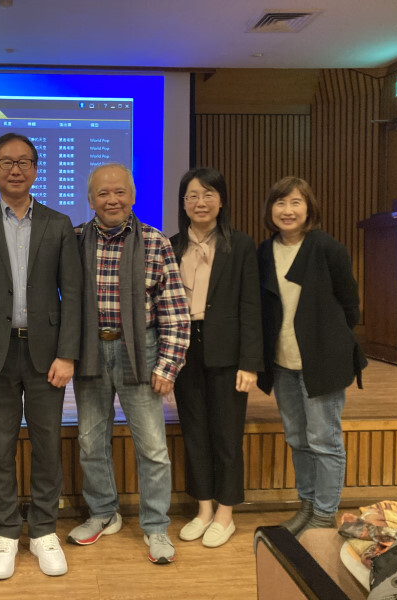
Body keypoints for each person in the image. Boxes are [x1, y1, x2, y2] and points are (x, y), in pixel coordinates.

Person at [0, 133, 82, 580]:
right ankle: (6, 531)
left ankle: (44, 528)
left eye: (25, 161)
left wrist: (68, 353)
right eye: (6, 162)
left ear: (35, 169)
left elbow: (74, 294)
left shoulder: (60, 224)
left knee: (47, 445)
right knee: (0, 447)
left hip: (46, 354)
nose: (16, 169)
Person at [68, 163, 190, 564]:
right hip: (90, 352)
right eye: (103, 193)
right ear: (90, 200)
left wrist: (167, 366)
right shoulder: (74, 241)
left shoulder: (155, 243)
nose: (112, 199)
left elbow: (174, 311)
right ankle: (104, 513)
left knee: (153, 447)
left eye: (120, 192)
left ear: (133, 197)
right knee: (90, 441)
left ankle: (156, 527)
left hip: (141, 352)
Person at [256, 176, 367, 537]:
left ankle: (323, 514)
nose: (287, 211)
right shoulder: (263, 251)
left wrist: (331, 341)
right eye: (280, 203)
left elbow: (350, 305)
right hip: (282, 362)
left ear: (309, 208)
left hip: (322, 362)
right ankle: (306, 506)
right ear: (270, 210)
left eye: (295, 203)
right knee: (298, 439)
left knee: (325, 440)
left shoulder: (326, 247)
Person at [169, 167, 263, 548]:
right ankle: (203, 508)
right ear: (183, 203)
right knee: (195, 431)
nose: (200, 202)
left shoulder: (239, 245)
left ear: (221, 201)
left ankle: (226, 512)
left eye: (208, 194)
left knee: (226, 433)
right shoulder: (172, 245)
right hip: (184, 349)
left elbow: (251, 306)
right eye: (192, 195)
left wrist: (249, 363)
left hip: (227, 351)